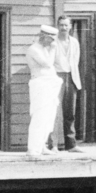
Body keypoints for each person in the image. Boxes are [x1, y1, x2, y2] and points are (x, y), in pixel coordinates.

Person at [26, 25, 61, 156]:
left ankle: (41, 146)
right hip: (40, 85)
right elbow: (47, 63)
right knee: (39, 117)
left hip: (50, 86)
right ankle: (32, 149)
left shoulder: (45, 48)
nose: (52, 42)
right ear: (43, 36)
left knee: (49, 117)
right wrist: (53, 49)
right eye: (50, 39)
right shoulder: (34, 49)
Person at [53, 15, 82, 151]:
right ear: (57, 26)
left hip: (71, 77)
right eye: (61, 25)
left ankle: (71, 145)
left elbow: (76, 61)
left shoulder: (74, 42)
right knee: (53, 112)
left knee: (70, 112)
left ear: (70, 27)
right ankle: (52, 145)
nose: (63, 28)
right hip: (56, 76)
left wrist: (72, 77)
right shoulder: (53, 41)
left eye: (66, 25)